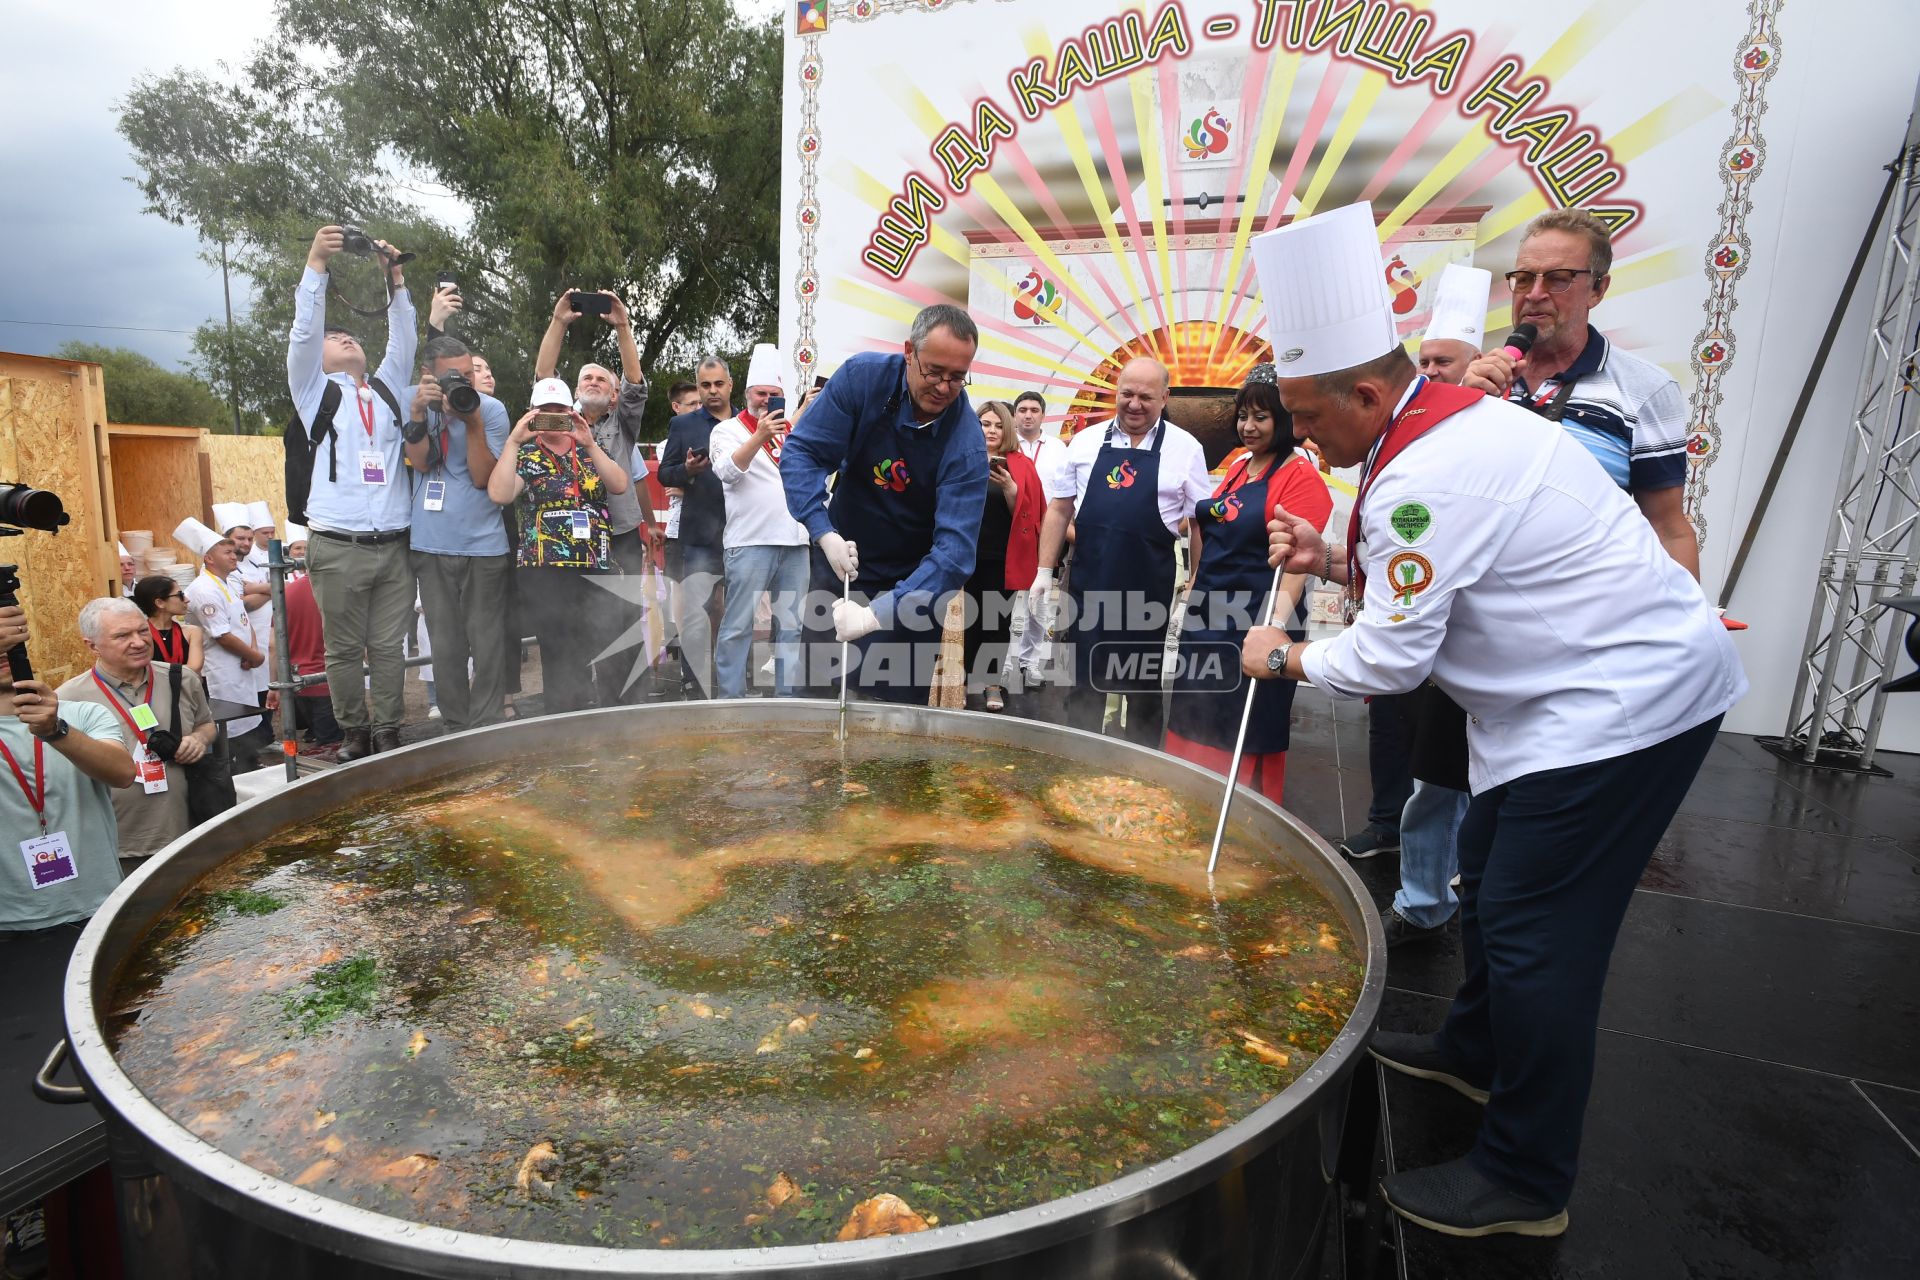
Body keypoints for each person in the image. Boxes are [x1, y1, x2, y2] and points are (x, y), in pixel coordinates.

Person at [1238, 201, 1746, 1236]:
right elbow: (1448, 569)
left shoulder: (1427, 470)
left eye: (1308, 414)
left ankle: (1526, 1173)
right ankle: (1472, 1049)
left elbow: (1389, 655)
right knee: (1487, 869)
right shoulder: (1429, 429)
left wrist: (1283, 655)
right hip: (1555, 698)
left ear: (1369, 392)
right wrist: (1333, 557)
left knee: (1535, 935)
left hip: (1620, 709)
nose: (1300, 434)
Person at [1463, 208, 1699, 577]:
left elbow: (1667, 528)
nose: (1536, 294)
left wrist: (1687, 624)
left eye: (1558, 279)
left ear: (1598, 289)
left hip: (1583, 620)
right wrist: (1463, 409)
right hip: (1475, 612)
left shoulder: (1646, 389)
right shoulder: (1480, 380)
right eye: (1524, 279)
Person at [781, 304, 989, 705]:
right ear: (909, 351)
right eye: (934, 372)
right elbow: (803, 453)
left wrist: (876, 614)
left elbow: (955, 554)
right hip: (842, 559)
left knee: (895, 722)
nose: (944, 388)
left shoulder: (966, 444)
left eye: (957, 378)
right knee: (817, 702)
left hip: (915, 581)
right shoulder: (862, 379)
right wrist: (823, 533)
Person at [1382, 263, 1491, 946]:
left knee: (1501, 792)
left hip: (1507, 639)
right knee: (1435, 779)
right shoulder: (1415, 432)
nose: (1430, 373)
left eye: (1442, 362)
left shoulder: (1503, 426)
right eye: (1422, 361)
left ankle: (1477, 897)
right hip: (1440, 633)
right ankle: (1422, 901)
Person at [1165, 366, 1331, 799]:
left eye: (1261, 416)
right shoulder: (1240, 467)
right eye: (1243, 416)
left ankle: (1239, 813)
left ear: (1285, 419)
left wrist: (1271, 629)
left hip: (1254, 620)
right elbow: (1214, 529)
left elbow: (1295, 565)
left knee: (1242, 720)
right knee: (1192, 711)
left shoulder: (1300, 476)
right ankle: (1185, 796)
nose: (1248, 426)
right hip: (1208, 615)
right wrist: (1194, 586)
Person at [286, 222, 418, 762]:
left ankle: (387, 730)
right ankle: (354, 733)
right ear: (317, 357)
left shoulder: (388, 387)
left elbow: (405, 336)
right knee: (342, 649)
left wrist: (396, 281)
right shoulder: (312, 390)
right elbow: (303, 331)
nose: (348, 340)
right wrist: (316, 264)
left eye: (353, 337)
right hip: (337, 543)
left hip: (394, 543)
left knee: (389, 647)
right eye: (336, 338)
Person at [1032, 357, 1212, 747]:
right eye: (1126, 394)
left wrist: (1197, 581)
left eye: (1145, 397)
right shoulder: (1085, 441)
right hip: (1088, 588)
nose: (1133, 404)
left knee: (1143, 690)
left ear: (1164, 397)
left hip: (1148, 592)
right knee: (1084, 684)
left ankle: (1144, 776)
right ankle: (1079, 765)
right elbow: (1060, 507)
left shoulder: (1186, 449)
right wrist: (1044, 572)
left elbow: (1200, 522)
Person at [534, 290, 660, 703]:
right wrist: (558, 322)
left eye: (602, 379)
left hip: (618, 536)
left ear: (613, 395)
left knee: (620, 624)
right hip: (567, 542)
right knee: (568, 625)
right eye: (586, 377)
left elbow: (636, 383)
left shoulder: (624, 422)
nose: (593, 382)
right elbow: (542, 377)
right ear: (573, 389)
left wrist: (623, 326)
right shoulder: (557, 417)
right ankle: (572, 706)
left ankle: (627, 710)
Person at [487, 378, 632, 716]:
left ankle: (615, 718)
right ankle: (564, 718)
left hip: (595, 561)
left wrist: (589, 441)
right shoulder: (525, 454)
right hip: (546, 569)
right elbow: (499, 494)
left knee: (609, 638)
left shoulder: (589, 448)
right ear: (532, 415)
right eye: (544, 412)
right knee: (560, 647)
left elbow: (620, 484)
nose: (553, 418)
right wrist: (512, 441)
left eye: (561, 412)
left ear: (573, 412)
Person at [400, 334, 514, 732]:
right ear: (428, 375)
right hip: (430, 544)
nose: (463, 383)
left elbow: (485, 478)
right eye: (454, 377)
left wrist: (473, 421)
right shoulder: (414, 401)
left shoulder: (492, 409)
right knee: (444, 642)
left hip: (484, 545)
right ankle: (454, 724)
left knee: (487, 642)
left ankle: (487, 724)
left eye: (468, 373)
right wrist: (418, 414)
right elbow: (420, 463)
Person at [0, 603, 136, 932]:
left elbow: (122, 773)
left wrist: (54, 730)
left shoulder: (81, 715)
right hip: (11, 924)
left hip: (99, 909)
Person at [57, 598, 215, 862]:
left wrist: (199, 738)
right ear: (92, 645)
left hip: (187, 834)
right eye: (122, 636)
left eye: (143, 631)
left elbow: (206, 724)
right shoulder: (69, 699)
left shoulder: (181, 679)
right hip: (116, 846)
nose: (140, 642)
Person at [708, 345, 811, 699]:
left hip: (796, 542)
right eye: (761, 394)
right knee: (738, 626)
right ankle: (731, 702)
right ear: (747, 395)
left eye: (774, 395)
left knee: (791, 628)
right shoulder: (727, 431)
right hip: (749, 541)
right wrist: (760, 436)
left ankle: (784, 700)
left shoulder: (793, 432)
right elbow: (727, 472)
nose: (767, 400)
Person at [659, 357, 735, 697]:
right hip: (701, 536)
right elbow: (665, 473)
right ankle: (693, 681)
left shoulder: (748, 423)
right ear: (698, 387)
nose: (712, 391)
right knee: (695, 613)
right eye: (705, 385)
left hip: (743, 532)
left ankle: (735, 679)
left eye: (718, 384)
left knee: (740, 612)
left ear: (730, 385)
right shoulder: (684, 425)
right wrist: (687, 470)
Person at [964, 400, 1043, 711]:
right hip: (962, 557)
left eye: (998, 425)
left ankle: (991, 684)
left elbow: (1031, 518)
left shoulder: (1022, 466)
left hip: (1000, 559)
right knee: (961, 622)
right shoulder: (961, 459)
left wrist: (1011, 489)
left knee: (996, 623)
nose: (992, 430)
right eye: (986, 424)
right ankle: (959, 681)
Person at [175, 517, 264, 764]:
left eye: (234, 552)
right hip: (221, 670)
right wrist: (254, 656)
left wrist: (252, 651)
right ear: (209, 559)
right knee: (228, 730)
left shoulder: (226, 584)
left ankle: (249, 765)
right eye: (228, 552)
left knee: (245, 725)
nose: (234, 556)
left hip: (240, 665)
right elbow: (222, 635)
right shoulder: (204, 589)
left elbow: (243, 621)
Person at [282, 571, 341, 746]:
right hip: (328, 680)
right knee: (332, 746)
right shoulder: (335, 590)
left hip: (299, 679)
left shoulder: (288, 592)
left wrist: (275, 684)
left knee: (317, 738)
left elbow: (274, 645)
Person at [133, 575, 204, 674]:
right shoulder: (138, 635)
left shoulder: (192, 632)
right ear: (160, 603)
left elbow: (194, 668)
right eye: (180, 595)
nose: (187, 599)